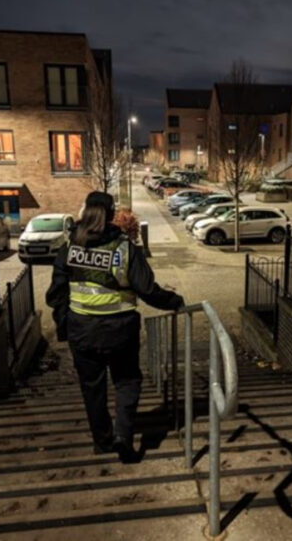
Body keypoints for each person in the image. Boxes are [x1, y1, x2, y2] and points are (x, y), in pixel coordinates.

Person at [46, 191, 184, 463]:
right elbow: (147, 290)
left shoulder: (70, 247)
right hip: (120, 331)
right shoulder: (123, 248)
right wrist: (175, 301)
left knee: (92, 388)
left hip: (81, 331)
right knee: (127, 381)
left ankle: (102, 441)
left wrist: (64, 327)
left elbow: (55, 295)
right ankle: (123, 435)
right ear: (111, 216)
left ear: (85, 213)